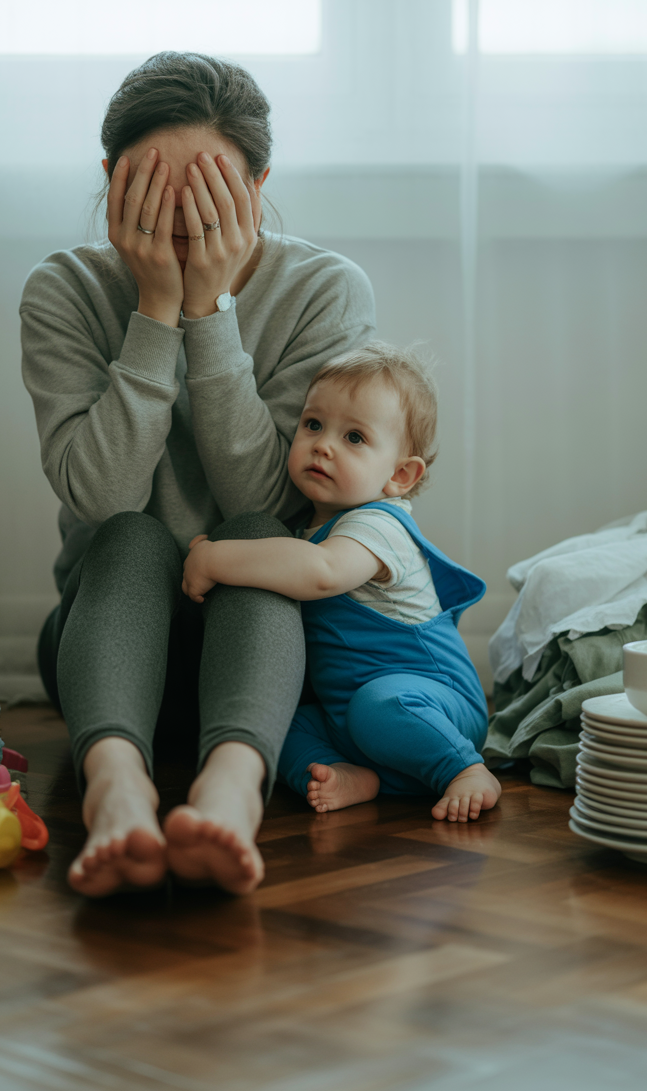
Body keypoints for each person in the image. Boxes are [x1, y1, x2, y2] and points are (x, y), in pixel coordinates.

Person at [20, 51, 376, 896]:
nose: (180, 223)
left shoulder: (325, 291)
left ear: (257, 186)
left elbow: (268, 500)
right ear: (110, 180)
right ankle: (116, 786)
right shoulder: (65, 290)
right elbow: (103, 498)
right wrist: (153, 312)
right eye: (151, 193)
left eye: (211, 194)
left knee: (252, 538)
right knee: (133, 536)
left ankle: (231, 787)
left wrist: (212, 316)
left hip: (266, 658)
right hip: (103, 646)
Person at [181, 341, 502, 824]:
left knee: (380, 705)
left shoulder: (380, 527)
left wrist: (217, 558)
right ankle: (350, 774)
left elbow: (320, 572)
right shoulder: (306, 532)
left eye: (354, 438)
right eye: (313, 424)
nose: (323, 444)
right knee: (272, 722)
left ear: (399, 475)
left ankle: (463, 768)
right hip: (348, 713)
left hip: (430, 702)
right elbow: (290, 562)